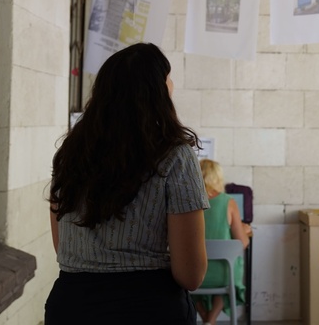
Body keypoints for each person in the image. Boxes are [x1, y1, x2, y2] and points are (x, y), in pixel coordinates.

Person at [45, 43, 209, 324]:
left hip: (70, 307)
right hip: (147, 309)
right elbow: (191, 275)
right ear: (158, 91)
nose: (173, 84)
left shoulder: (71, 154)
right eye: (168, 77)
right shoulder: (174, 156)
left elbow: (64, 249)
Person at [192, 159, 251, 325]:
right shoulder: (228, 202)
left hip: (195, 273)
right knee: (231, 266)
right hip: (223, 275)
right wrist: (244, 230)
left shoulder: (190, 202)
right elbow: (243, 243)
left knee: (186, 283)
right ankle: (210, 321)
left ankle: (207, 319)